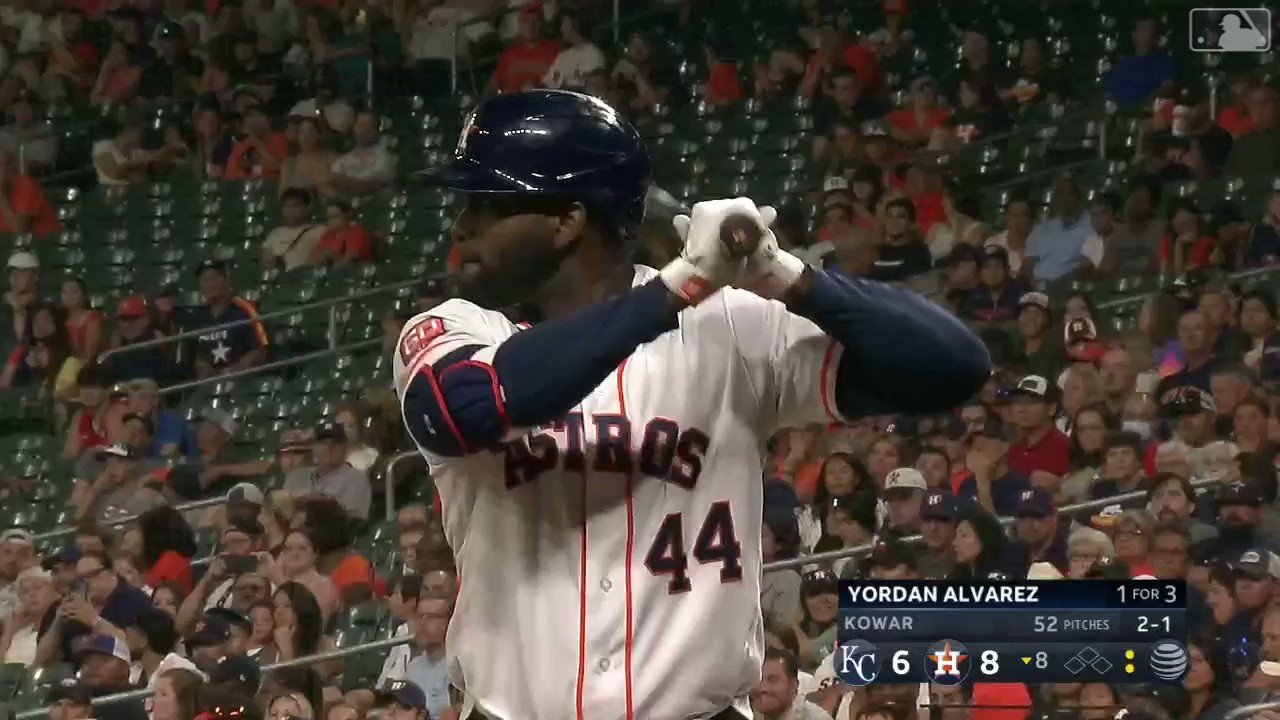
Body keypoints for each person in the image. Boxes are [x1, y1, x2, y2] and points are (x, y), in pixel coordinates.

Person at [393, 89, 989, 718]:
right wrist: (681, 286)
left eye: (488, 205)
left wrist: (781, 273)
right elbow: (457, 411)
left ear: (568, 221)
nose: (462, 227)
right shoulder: (457, 329)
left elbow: (953, 367)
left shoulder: (729, 324)